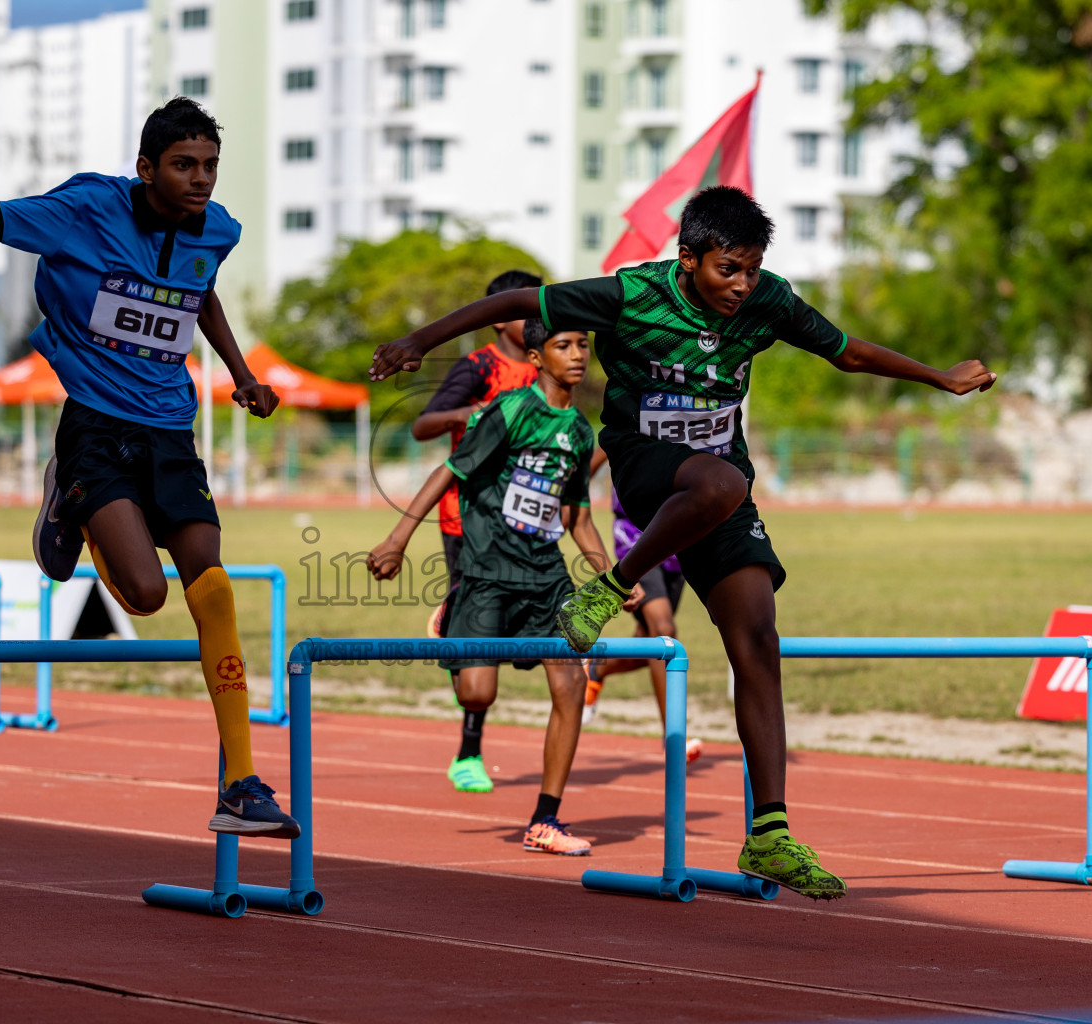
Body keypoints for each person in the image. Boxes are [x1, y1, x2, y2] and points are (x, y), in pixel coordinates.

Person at [369, 185, 997, 898]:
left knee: (757, 637)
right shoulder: (630, 295)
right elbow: (514, 306)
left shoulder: (768, 302)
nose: (742, 286)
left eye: (753, 269)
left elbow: (847, 353)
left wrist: (938, 377)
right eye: (728, 269)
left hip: (717, 487)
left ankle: (770, 834)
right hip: (645, 467)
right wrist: (418, 342)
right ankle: (606, 592)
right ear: (688, 257)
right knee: (721, 483)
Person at [0, 97, 299, 839]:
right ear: (146, 169)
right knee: (143, 595)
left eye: (209, 165)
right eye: (183, 166)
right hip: (97, 426)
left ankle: (240, 782)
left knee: (212, 577)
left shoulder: (218, 229)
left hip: (171, 426)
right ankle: (68, 501)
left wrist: (240, 371)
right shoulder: (86, 211)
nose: (200, 179)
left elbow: (198, 294)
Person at [368, 320, 640, 856]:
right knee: (477, 693)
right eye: (564, 346)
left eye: (583, 345)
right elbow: (450, 471)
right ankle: (454, 614)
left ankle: (545, 820)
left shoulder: (581, 432)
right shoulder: (510, 410)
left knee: (569, 686)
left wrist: (613, 575)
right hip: (488, 568)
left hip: (546, 576)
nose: (578, 355)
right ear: (537, 358)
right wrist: (397, 538)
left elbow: (577, 518)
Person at [412, 270, 541, 793]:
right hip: (466, 517)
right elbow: (423, 425)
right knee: (482, 643)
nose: (539, 317)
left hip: (526, 520)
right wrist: (474, 411)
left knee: (526, 652)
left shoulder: (546, 367)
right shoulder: (478, 368)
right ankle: (469, 752)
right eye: (530, 308)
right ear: (501, 317)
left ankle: (452, 621)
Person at [581, 451, 704, 765]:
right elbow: (583, 472)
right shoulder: (629, 417)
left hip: (678, 541)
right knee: (664, 631)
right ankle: (674, 738)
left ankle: (596, 667)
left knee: (649, 645)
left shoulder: (681, 423)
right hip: (635, 539)